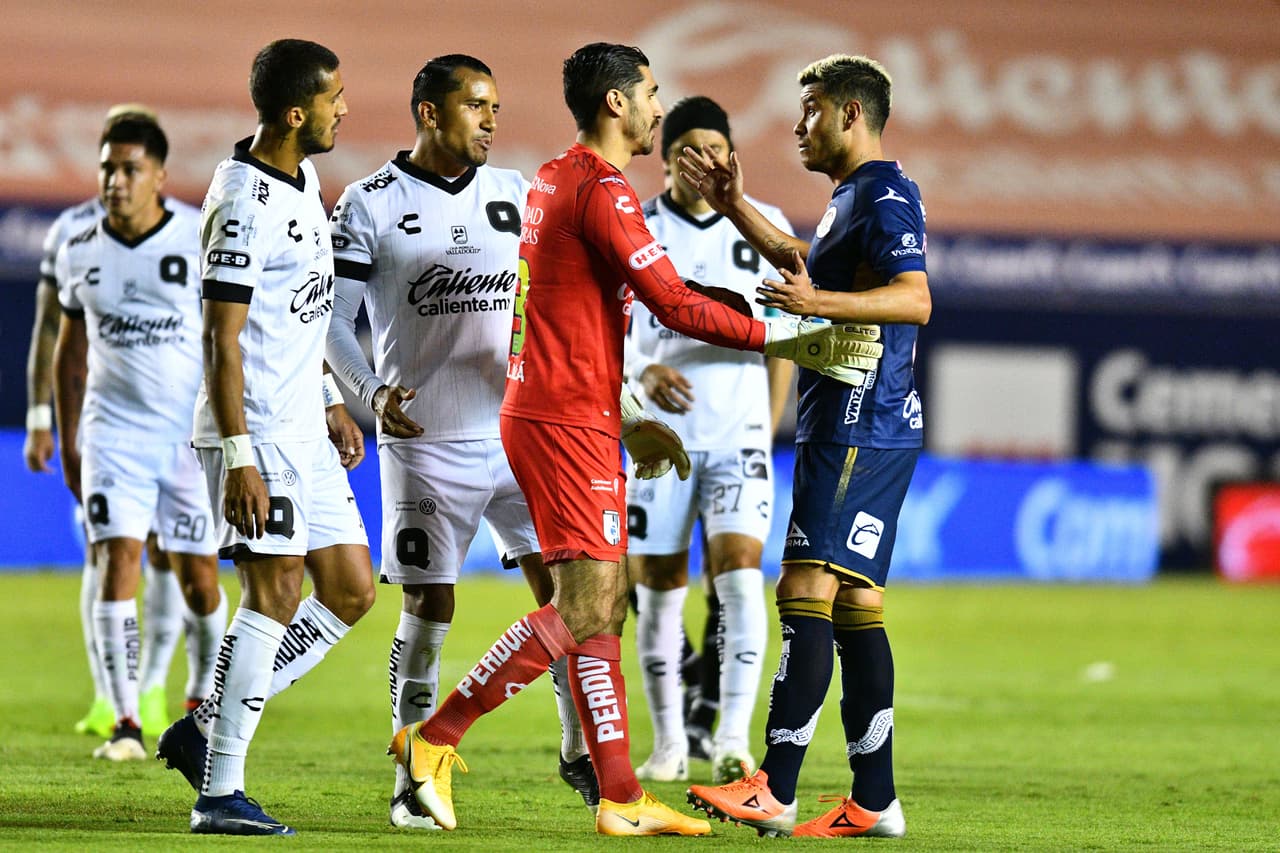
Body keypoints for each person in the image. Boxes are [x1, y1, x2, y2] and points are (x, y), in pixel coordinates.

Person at [388, 41, 882, 837]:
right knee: (588, 603)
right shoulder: (602, 187)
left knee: (599, 606)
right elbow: (676, 306)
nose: (659, 106)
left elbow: (594, 312)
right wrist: (785, 336)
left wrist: (623, 415)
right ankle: (434, 737)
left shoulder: (555, 176)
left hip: (562, 411)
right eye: (651, 93)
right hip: (563, 420)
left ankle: (620, 793)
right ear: (616, 103)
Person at [325, 53, 593, 829]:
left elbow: (558, 303)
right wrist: (371, 394)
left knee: (569, 595)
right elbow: (335, 323)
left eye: (496, 105)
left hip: (519, 436)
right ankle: (413, 772)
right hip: (424, 440)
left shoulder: (514, 195)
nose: (491, 119)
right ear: (430, 112)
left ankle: (578, 748)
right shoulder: (370, 204)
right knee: (430, 602)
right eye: (476, 104)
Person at [681, 54, 930, 839]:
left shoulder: (885, 195)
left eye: (812, 108)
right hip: (868, 420)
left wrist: (815, 301)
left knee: (804, 585)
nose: (798, 124)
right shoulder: (853, 198)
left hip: (858, 419)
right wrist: (732, 206)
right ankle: (875, 797)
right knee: (856, 600)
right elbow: (799, 260)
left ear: (852, 113)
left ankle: (775, 786)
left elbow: (915, 299)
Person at [156, 39, 375, 836]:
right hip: (255, 434)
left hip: (301, 428)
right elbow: (224, 338)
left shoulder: (303, 179)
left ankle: (207, 725)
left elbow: (301, 312)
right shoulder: (243, 202)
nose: (343, 108)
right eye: (334, 97)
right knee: (276, 591)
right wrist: (238, 454)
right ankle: (219, 790)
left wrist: (326, 397)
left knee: (350, 589)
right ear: (296, 112)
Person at [625, 95, 795, 786]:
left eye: (716, 148)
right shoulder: (633, 225)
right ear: (666, 159)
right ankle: (668, 743)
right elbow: (599, 328)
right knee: (660, 589)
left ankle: (730, 739)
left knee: (742, 576)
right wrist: (641, 372)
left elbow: (789, 333)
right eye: (690, 148)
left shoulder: (767, 228)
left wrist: (769, 415)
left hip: (737, 438)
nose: (705, 160)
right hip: (657, 442)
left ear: (733, 158)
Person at [51, 116, 227, 761]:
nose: (115, 181)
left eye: (129, 169)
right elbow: (69, 358)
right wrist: (70, 440)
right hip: (112, 435)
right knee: (117, 562)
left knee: (200, 580)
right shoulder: (80, 247)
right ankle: (125, 721)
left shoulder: (193, 236)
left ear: (157, 174)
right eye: (107, 168)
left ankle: (201, 703)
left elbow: (225, 337)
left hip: (187, 436)